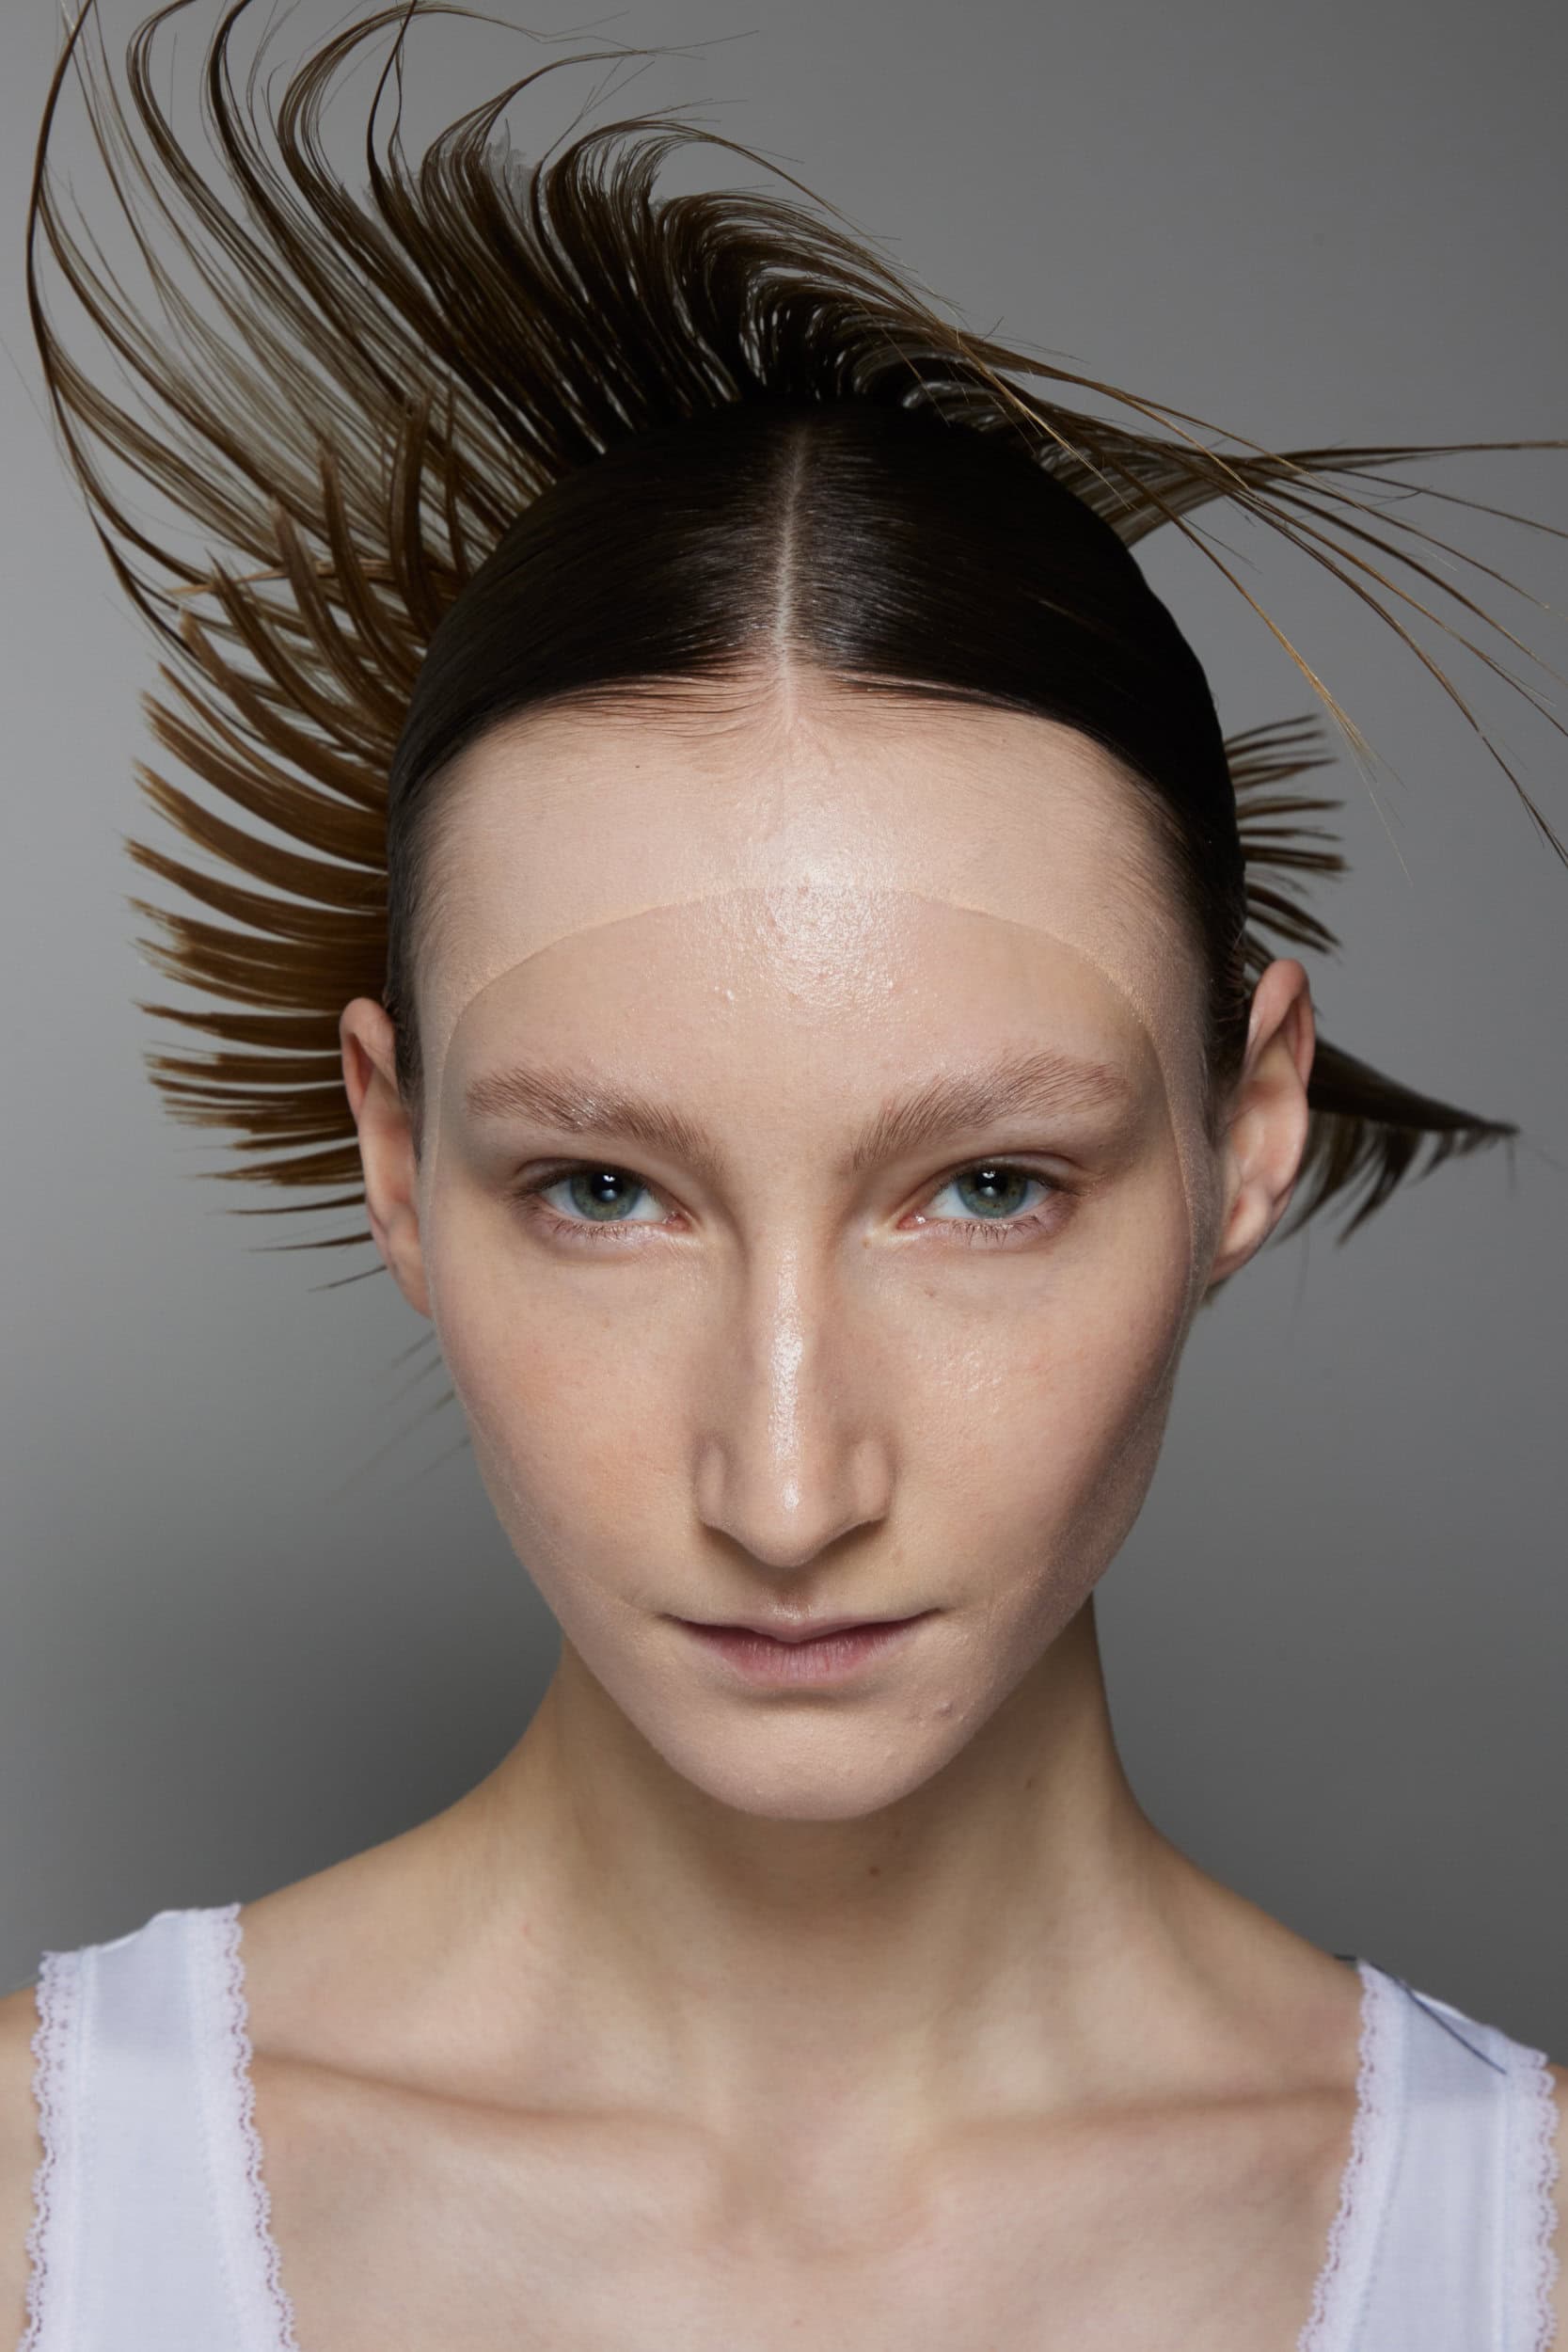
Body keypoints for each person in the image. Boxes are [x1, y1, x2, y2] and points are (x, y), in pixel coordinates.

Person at [2, 1, 1563, 2344]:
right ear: (396, 1155)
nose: (790, 1480)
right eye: (603, 1191)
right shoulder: (35, 2211)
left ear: (1251, 1127)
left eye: (991, 1186)